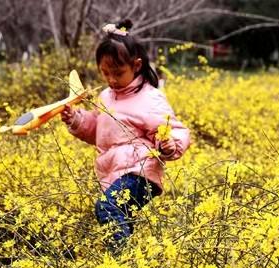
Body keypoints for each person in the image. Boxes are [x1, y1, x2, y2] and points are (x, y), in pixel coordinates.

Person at [61, 20, 190, 254]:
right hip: (113, 173)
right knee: (120, 217)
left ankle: (121, 265)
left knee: (107, 207)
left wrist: (169, 144)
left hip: (140, 174)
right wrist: (76, 119)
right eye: (105, 73)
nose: (111, 79)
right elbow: (98, 130)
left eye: (118, 73)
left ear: (136, 65)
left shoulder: (150, 98)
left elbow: (175, 131)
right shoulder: (106, 97)